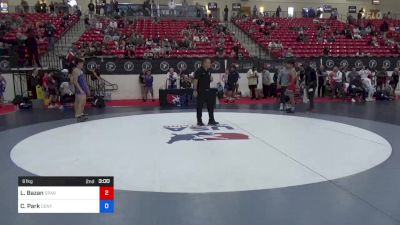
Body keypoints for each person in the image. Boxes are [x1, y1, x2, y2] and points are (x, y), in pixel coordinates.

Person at [193, 58, 218, 126]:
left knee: (210, 106)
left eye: (210, 62)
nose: (210, 64)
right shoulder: (198, 71)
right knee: (199, 106)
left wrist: (211, 78)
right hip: (200, 91)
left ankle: (211, 120)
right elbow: (195, 81)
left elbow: (210, 77)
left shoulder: (209, 70)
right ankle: (199, 121)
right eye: (209, 62)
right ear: (204, 63)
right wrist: (195, 90)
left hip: (208, 91)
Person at [72, 58, 90, 122]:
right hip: (80, 89)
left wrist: (87, 89)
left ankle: (80, 114)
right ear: (78, 64)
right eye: (82, 63)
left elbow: (84, 81)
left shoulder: (80, 71)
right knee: (80, 102)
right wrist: (80, 89)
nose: (82, 64)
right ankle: (78, 115)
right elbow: (75, 81)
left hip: (82, 88)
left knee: (82, 102)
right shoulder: (76, 70)